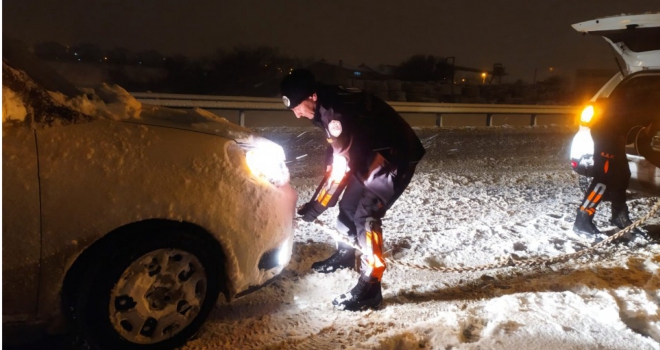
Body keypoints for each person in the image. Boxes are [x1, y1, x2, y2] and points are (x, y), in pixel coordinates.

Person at [281, 69, 425, 311]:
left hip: (395, 157)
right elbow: (337, 151)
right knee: (348, 207)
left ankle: (370, 286)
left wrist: (318, 205)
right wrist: (323, 199)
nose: (296, 115)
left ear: (312, 96)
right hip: (372, 154)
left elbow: (342, 167)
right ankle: (346, 255)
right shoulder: (327, 103)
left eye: (297, 106)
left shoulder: (335, 112)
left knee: (366, 216)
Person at [573, 76, 659, 240]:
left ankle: (619, 216)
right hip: (605, 131)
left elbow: (643, 143)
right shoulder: (652, 109)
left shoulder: (650, 110)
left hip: (617, 134)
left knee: (622, 175)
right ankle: (582, 220)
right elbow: (645, 144)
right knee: (604, 178)